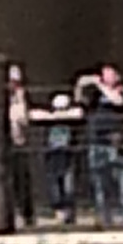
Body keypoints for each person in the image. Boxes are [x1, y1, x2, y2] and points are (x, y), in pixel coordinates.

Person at [82, 62, 123, 229]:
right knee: (100, 183)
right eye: (103, 74)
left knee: (122, 181)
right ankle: (104, 218)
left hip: (114, 142)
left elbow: (118, 101)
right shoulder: (96, 95)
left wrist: (100, 85)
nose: (105, 77)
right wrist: (81, 84)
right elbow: (81, 101)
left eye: (109, 73)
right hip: (96, 142)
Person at [40, 91, 79, 225]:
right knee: (54, 184)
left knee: (68, 186)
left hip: (67, 153)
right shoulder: (50, 120)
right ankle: (59, 213)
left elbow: (78, 113)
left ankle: (69, 213)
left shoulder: (72, 117)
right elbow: (35, 114)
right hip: (53, 153)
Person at [5, 64, 35, 229]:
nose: (14, 86)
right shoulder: (3, 100)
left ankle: (26, 214)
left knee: (22, 181)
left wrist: (20, 99)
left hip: (20, 143)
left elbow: (24, 119)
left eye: (16, 82)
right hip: (6, 144)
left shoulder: (22, 99)